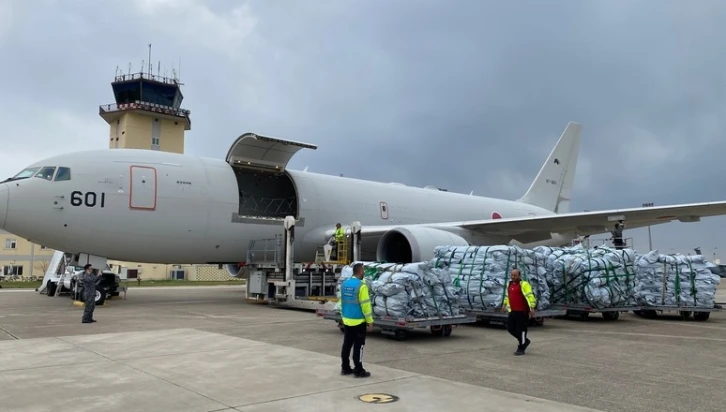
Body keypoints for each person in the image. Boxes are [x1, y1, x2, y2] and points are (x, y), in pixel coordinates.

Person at [340, 263, 374, 377]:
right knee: (359, 346)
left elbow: (341, 303)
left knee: (346, 345)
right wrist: (370, 321)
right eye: (363, 271)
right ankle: (358, 370)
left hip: (347, 320)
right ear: (360, 272)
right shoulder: (361, 286)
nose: (364, 273)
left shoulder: (345, 284)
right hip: (359, 321)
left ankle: (345, 368)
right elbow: (365, 306)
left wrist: (342, 316)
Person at [501, 268, 536, 356]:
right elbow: (507, 296)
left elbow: (530, 296)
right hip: (513, 311)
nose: (513, 277)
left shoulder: (524, 284)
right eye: (512, 275)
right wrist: (504, 304)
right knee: (510, 328)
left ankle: (521, 347)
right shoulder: (509, 284)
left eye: (515, 275)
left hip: (522, 312)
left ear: (519, 276)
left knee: (521, 330)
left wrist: (532, 307)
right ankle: (524, 341)